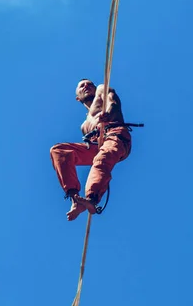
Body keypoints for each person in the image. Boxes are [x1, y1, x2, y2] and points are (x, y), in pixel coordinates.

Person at [50, 78, 132, 221]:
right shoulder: (84, 125)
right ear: (78, 97)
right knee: (58, 150)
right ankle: (75, 198)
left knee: (102, 158)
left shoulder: (101, 89)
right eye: (82, 86)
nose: (86, 86)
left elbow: (113, 102)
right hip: (97, 146)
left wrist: (108, 114)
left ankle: (91, 199)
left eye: (89, 84)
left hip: (115, 135)